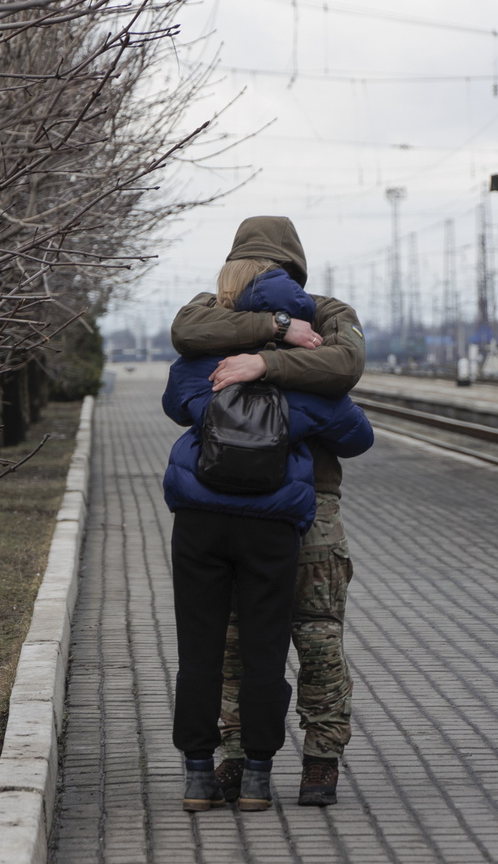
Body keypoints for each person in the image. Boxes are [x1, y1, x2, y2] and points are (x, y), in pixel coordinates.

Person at [161, 252, 373, 813]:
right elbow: (355, 432)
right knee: (312, 633)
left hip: (217, 518)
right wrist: (280, 351)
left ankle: (226, 765)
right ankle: (309, 764)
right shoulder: (298, 324)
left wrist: (258, 364)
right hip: (302, 510)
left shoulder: (223, 333)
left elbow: (177, 397)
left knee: (228, 645)